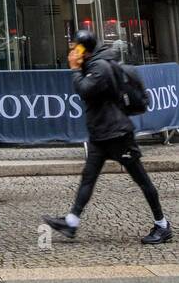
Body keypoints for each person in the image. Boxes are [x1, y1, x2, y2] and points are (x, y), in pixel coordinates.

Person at [42, 28, 172, 245]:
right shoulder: (94, 64)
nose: (72, 50)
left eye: (76, 46)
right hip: (101, 134)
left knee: (141, 178)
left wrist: (75, 69)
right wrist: (79, 66)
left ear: (85, 49)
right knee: (88, 178)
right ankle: (72, 222)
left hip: (117, 134)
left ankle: (162, 225)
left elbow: (85, 89)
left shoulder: (100, 67)